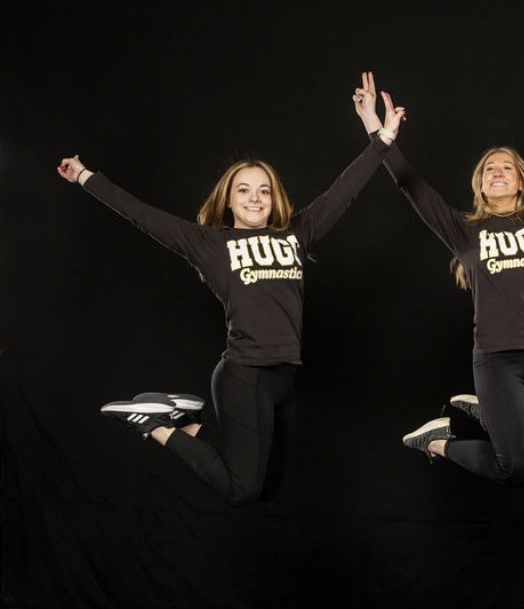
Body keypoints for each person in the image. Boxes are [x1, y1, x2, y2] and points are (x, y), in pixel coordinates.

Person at [56, 85, 399, 505]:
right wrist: (85, 177)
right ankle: (156, 425)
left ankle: (182, 422)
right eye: (243, 190)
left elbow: (343, 193)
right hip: (245, 376)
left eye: (264, 190)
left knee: (270, 488)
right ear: (229, 200)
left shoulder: (297, 233)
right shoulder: (209, 244)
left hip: (285, 376)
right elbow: (142, 215)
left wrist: (378, 137)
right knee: (243, 489)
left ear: (274, 200)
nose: (255, 198)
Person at [353, 65, 524, 486]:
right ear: (480, 187)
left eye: (506, 168)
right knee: (514, 469)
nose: (497, 172)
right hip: (496, 359)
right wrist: (376, 127)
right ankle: (436, 441)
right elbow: (411, 186)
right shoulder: (464, 231)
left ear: (521, 182)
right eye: (488, 170)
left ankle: (492, 414)